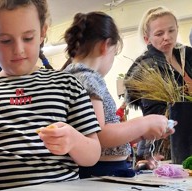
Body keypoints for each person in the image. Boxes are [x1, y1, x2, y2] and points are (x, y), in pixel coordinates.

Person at [0, 0, 102, 191]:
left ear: (42, 33)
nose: (18, 49)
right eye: (6, 40)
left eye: (28, 38)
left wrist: (73, 141)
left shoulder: (68, 85)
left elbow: (93, 154)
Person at [63, 12, 174, 178]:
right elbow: (100, 135)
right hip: (100, 172)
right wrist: (144, 123)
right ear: (105, 46)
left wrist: (142, 133)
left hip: (103, 170)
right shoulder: (88, 78)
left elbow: (93, 131)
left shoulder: (73, 75)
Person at [124, 6, 192, 161]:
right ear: (147, 38)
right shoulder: (146, 68)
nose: (166, 37)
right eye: (159, 33)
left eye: (171, 31)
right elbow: (155, 114)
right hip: (161, 146)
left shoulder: (188, 56)